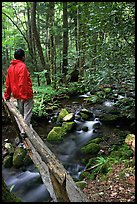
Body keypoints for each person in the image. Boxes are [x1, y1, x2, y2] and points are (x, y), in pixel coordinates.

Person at [4, 48, 33, 139]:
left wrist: (7, 95)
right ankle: (24, 132)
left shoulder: (10, 68)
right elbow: (22, 82)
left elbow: (8, 84)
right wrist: (24, 96)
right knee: (27, 114)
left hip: (17, 95)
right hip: (25, 94)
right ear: (23, 57)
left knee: (21, 114)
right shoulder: (22, 66)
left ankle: (22, 130)